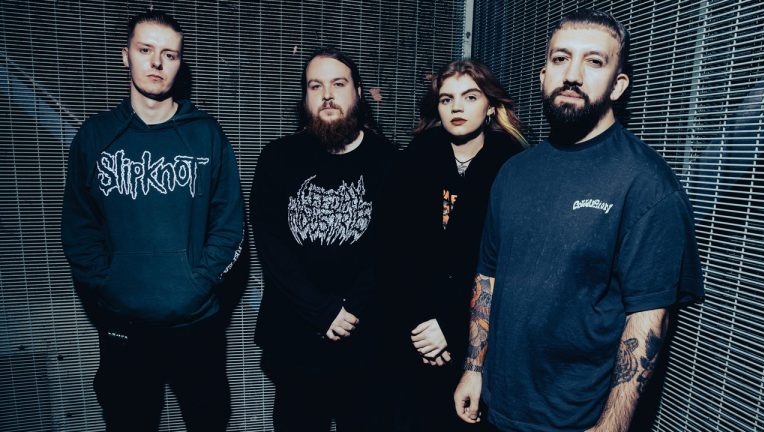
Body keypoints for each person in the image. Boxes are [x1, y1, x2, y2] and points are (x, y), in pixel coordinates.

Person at [453, 9, 704, 432]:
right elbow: (488, 278)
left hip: (577, 419)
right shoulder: (514, 172)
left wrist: (613, 425)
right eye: (560, 59)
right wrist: (473, 369)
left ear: (618, 85)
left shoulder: (646, 183)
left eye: (594, 61)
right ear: (543, 76)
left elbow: (648, 318)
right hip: (500, 407)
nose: (572, 75)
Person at [61, 10, 243, 431]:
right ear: (125, 55)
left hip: (197, 326)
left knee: (209, 421)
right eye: (146, 50)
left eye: (169, 55)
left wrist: (199, 281)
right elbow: (79, 228)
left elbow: (230, 226)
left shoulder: (206, 134)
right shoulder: (95, 136)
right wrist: (109, 284)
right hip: (124, 327)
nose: (157, 63)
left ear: (180, 63)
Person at [249, 47, 395, 431]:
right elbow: (272, 246)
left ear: (358, 92)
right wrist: (322, 310)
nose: (328, 95)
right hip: (295, 338)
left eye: (338, 84)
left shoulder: (390, 161)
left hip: (366, 340)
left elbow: (391, 248)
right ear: (305, 98)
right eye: (316, 86)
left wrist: (351, 309)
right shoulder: (277, 157)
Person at [393, 59, 526, 431]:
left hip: (480, 344)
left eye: (470, 97)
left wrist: (449, 328)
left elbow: (507, 268)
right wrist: (422, 324)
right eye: (446, 99)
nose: (457, 107)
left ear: (490, 107)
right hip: (416, 336)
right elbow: (395, 253)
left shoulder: (513, 169)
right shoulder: (411, 161)